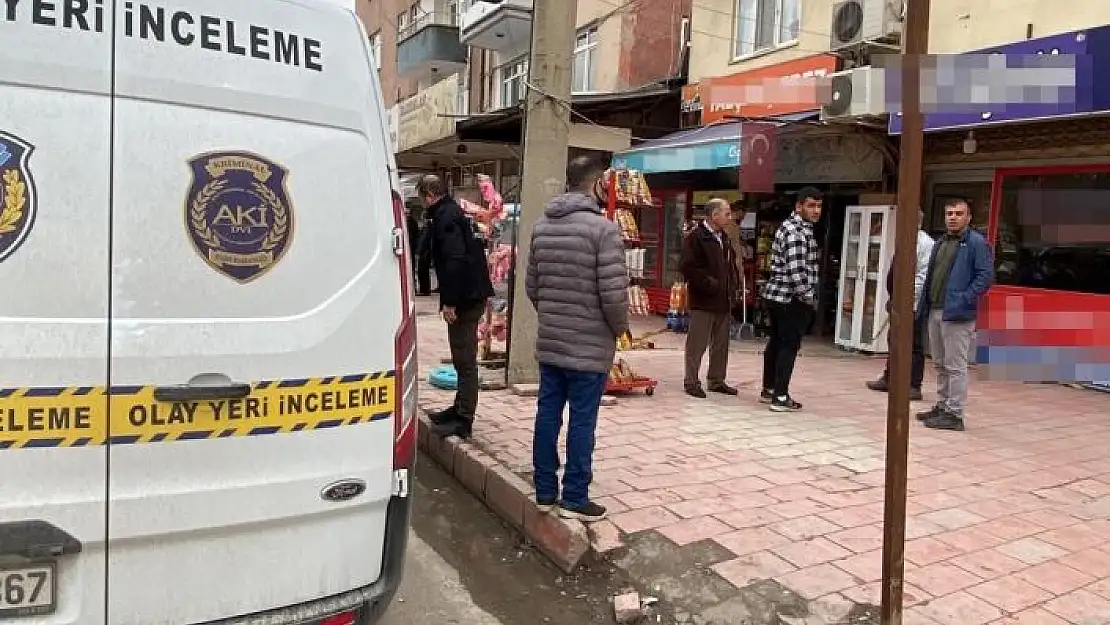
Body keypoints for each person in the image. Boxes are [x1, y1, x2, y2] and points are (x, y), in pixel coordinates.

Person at [526, 156, 629, 522]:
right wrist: (620, 329)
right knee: (583, 420)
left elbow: (532, 288)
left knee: (548, 414)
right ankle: (574, 497)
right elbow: (614, 296)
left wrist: (555, 317)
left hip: (552, 343)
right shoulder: (604, 231)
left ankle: (543, 491)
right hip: (589, 347)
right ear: (598, 183)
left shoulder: (542, 227)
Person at [419, 174, 495, 439]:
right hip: (469, 294)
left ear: (429, 194)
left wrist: (450, 301)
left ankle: (464, 418)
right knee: (462, 357)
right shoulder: (448, 212)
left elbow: (454, 260)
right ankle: (458, 408)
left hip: (466, 297)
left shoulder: (446, 217)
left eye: (422, 197)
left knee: (465, 360)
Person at [916, 198, 994, 431]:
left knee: (955, 365)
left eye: (959, 213)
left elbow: (985, 276)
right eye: (949, 213)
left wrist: (964, 298)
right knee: (940, 362)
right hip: (936, 309)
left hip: (958, 314)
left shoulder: (976, 243)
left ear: (968, 218)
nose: (953, 217)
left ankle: (955, 413)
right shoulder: (941, 242)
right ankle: (943, 405)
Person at [760, 187, 823, 412]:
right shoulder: (796, 232)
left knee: (777, 341)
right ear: (799, 206)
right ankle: (780, 396)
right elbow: (797, 270)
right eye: (811, 206)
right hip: (789, 298)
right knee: (788, 345)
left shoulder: (794, 227)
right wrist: (808, 297)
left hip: (777, 295)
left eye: (819, 206)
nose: (816, 211)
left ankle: (769, 389)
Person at [866, 210, 935, 400]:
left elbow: (922, 277)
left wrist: (906, 298)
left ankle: (913, 385)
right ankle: (890, 378)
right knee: (893, 340)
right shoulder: (904, 240)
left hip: (913, 303)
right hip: (898, 300)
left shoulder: (925, 244)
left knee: (913, 344)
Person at [680, 198, 740, 398]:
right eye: (727, 214)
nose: (729, 217)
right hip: (703, 300)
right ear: (714, 215)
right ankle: (691, 381)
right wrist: (709, 284)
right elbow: (688, 268)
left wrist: (734, 287)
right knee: (697, 343)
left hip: (723, 300)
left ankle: (716, 380)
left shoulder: (724, 237)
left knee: (721, 344)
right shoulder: (696, 237)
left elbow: (730, 266)